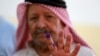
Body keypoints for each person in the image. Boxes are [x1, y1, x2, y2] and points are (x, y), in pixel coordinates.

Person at [14, 0, 95, 56]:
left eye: (49, 17)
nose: (41, 25)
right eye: (34, 18)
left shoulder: (84, 54)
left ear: (63, 22)